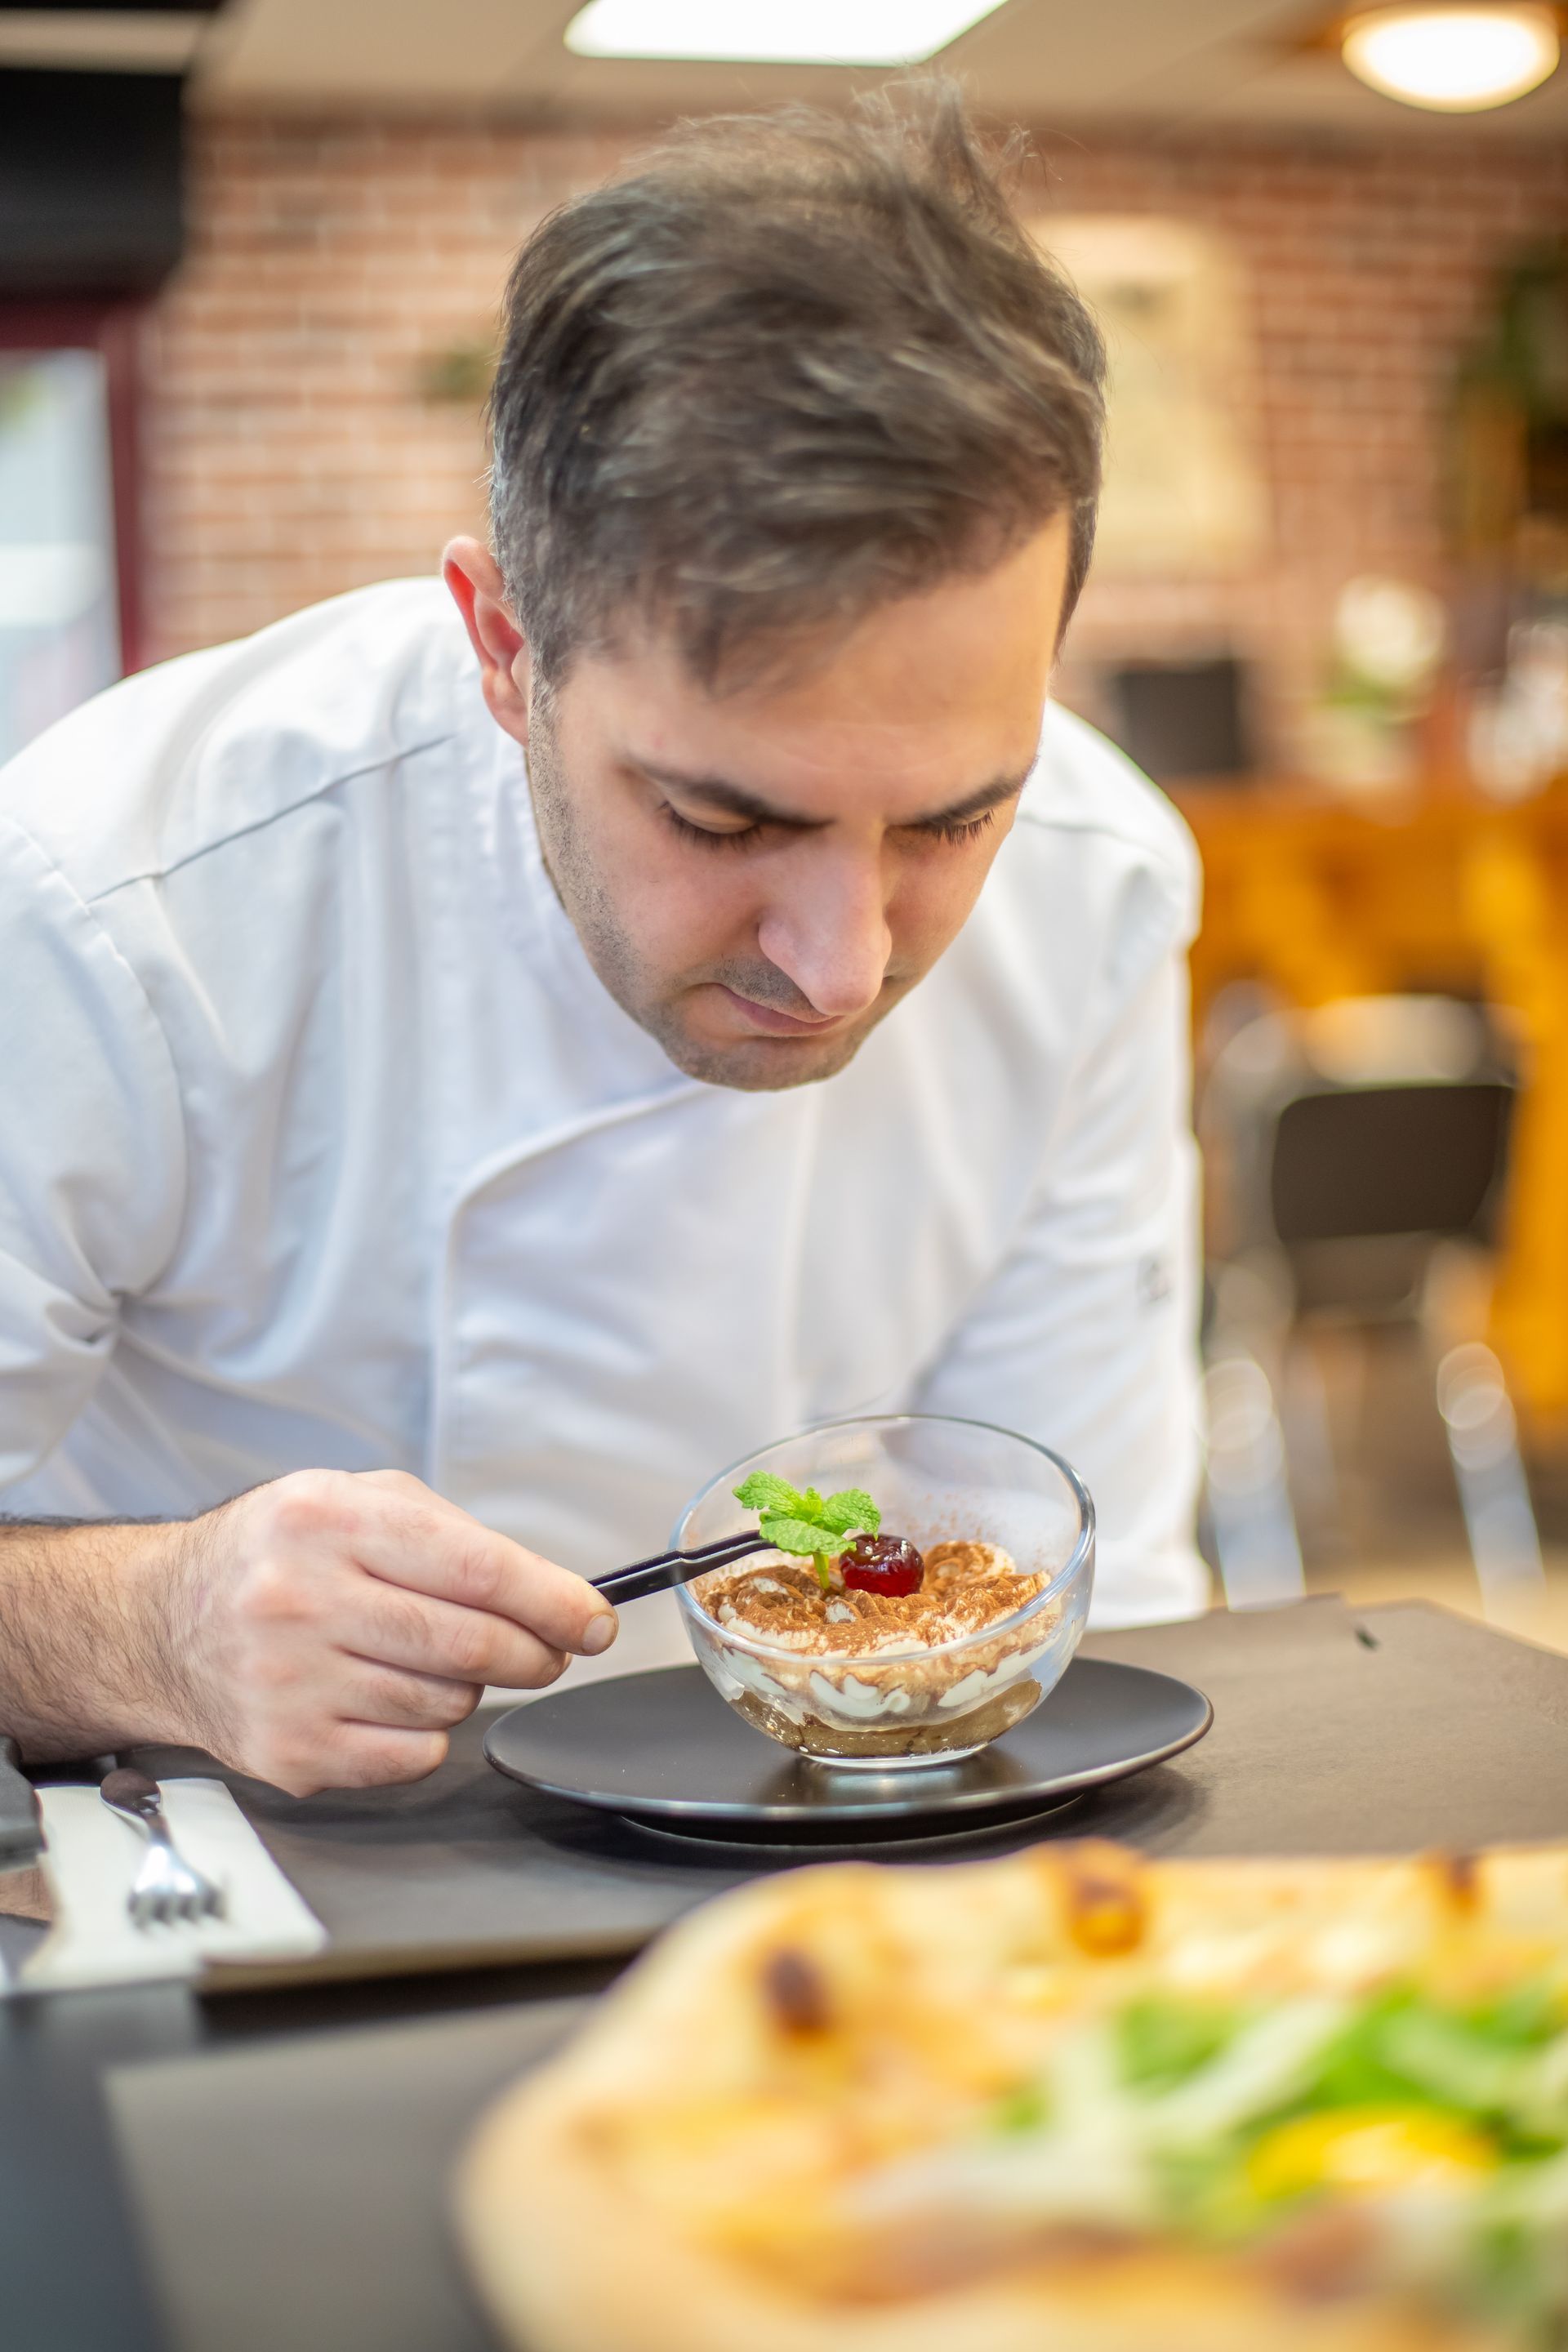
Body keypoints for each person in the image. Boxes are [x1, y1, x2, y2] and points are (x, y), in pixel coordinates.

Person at [0, 87, 1203, 1797]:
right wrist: (147, 1622)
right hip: (241, 1866)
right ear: (504, 647)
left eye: (951, 819)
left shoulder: (1101, 886)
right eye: (721, 822)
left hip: (848, 1830)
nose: (845, 962)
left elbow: (1103, 1593)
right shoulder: (117, 901)